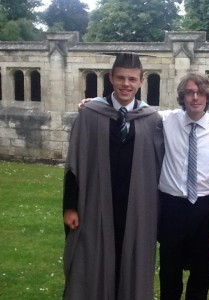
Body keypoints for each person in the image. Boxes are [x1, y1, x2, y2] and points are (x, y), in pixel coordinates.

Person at [63, 53, 164, 300]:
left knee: (133, 260)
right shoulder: (90, 114)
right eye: (120, 78)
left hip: (137, 207)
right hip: (96, 203)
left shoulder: (152, 119)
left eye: (132, 79)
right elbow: (74, 163)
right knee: (92, 258)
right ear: (111, 78)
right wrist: (70, 207)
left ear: (141, 81)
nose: (126, 84)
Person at [157, 72, 209, 300]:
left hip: (204, 207)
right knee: (170, 267)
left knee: (202, 268)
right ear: (182, 96)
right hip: (171, 206)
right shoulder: (166, 120)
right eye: (189, 92)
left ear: (208, 97)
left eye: (200, 93)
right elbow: (132, 111)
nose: (195, 97)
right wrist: (95, 103)